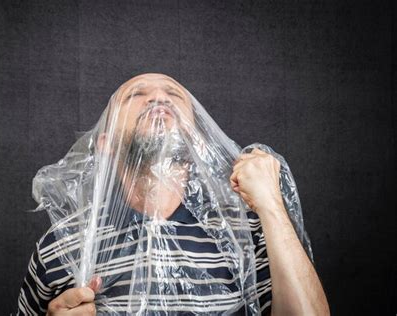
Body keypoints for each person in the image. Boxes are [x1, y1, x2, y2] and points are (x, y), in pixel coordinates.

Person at [17, 73, 330, 315]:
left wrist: (271, 204)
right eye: (136, 95)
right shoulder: (63, 246)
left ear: (199, 143)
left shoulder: (246, 234)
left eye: (174, 95)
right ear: (106, 145)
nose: (157, 98)